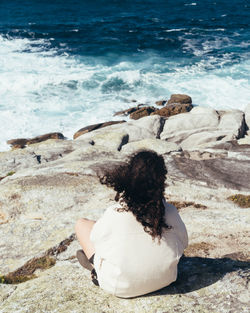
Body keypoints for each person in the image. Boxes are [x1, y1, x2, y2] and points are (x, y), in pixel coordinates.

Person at [75, 150, 188, 298]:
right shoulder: (170, 211)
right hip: (166, 279)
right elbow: (184, 242)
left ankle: (96, 268)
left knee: (82, 224)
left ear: (129, 177)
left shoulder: (115, 212)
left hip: (121, 287)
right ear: (162, 180)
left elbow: (96, 240)